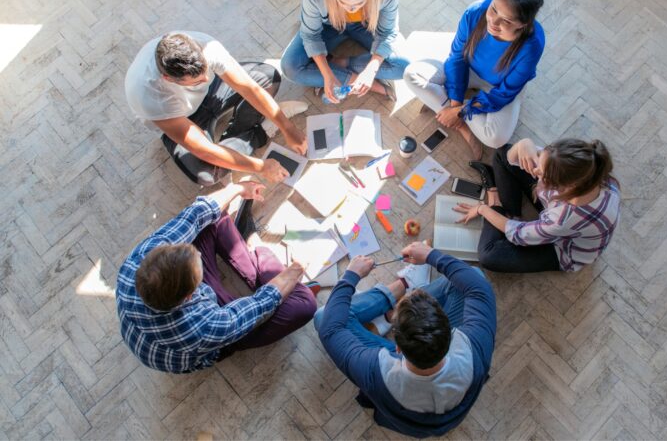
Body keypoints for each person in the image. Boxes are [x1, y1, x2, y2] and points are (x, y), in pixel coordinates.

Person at [116, 181, 317, 373]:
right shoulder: (203, 328)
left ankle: (254, 250)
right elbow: (262, 303)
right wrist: (297, 267)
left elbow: (194, 215)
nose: (200, 255)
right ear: (190, 295)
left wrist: (239, 188)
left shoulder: (137, 261)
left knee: (211, 216)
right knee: (304, 304)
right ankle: (255, 247)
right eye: (198, 266)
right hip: (207, 339)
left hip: (177, 314)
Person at [315, 241, 496, 438]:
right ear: (450, 331)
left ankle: (395, 297)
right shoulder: (476, 346)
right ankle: (399, 298)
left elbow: (329, 327)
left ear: (397, 348)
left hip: (399, 388)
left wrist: (351, 275)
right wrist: (431, 255)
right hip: (439, 412)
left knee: (324, 314)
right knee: (473, 276)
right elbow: (478, 286)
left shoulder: (374, 370)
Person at [125, 31, 309, 186]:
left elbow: (250, 88)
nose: (206, 79)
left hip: (213, 94)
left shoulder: (204, 46)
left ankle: (234, 152)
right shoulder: (149, 96)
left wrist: (288, 127)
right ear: (169, 79)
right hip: (182, 118)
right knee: (206, 174)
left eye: (206, 71)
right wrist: (260, 166)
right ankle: (260, 132)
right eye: (196, 81)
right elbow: (203, 149)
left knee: (267, 77)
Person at [404, 0, 546, 159]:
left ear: (523, 24)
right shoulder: (475, 11)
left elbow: (504, 94)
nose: (493, 22)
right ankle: (463, 126)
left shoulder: (532, 45)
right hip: (468, 67)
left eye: (507, 20)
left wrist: (459, 111)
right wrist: (456, 105)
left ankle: (445, 109)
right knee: (411, 74)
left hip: (498, 86)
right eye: (494, 9)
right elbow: (456, 58)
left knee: (496, 139)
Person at [454, 138, 621, 273]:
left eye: (541, 174)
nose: (535, 172)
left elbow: (519, 233)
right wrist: (524, 144)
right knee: (501, 154)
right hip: (558, 209)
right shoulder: (591, 172)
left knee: (489, 257)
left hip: (563, 247)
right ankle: (509, 212)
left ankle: (495, 201)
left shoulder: (562, 218)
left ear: (562, 186)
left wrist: (483, 209)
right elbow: (513, 157)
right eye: (541, 157)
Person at [281, 0, 410, 102]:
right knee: (289, 67)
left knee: (405, 66)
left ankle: (339, 64)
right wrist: (327, 75)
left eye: (359, 4)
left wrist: (370, 70)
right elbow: (311, 35)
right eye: (343, 3)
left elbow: (388, 32)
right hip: (330, 26)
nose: (351, 10)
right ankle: (362, 81)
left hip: (367, 26)